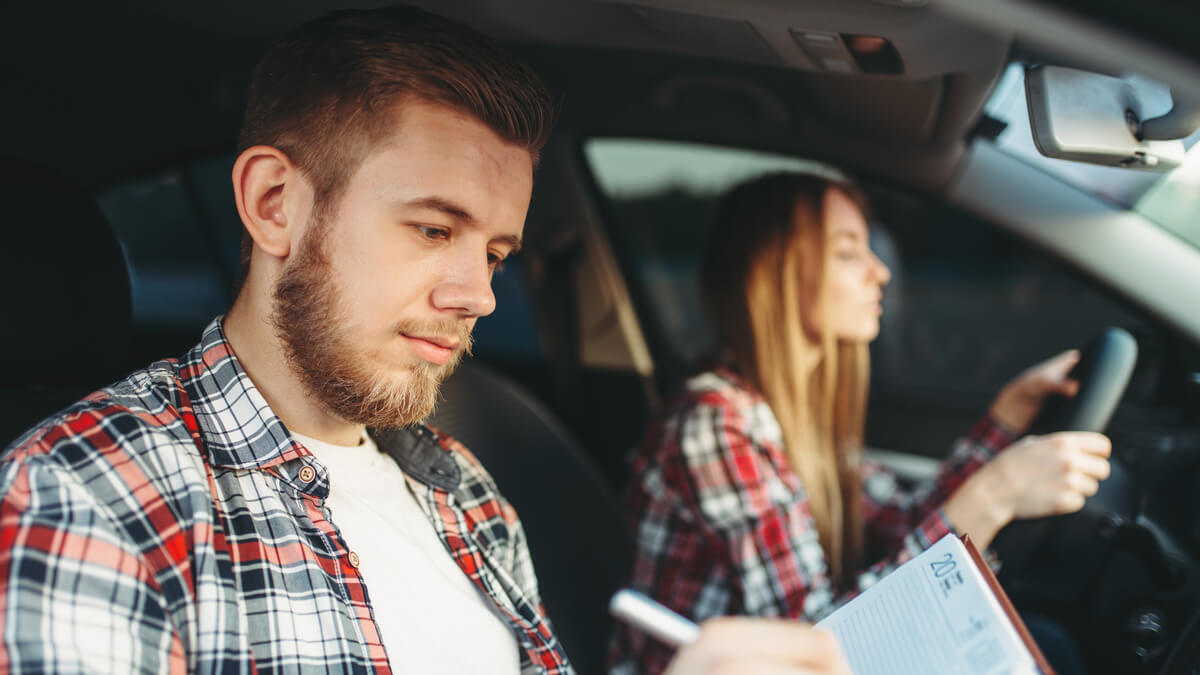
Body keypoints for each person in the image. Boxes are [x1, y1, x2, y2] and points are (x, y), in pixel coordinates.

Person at [0, 7, 852, 675]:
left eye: (494, 253)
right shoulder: (89, 497)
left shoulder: (464, 491)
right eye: (435, 230)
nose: (478, 294)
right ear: (273, 204)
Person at [609, 172, 1112, 674]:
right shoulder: (713, 425)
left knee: (1049, 644)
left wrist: (1004, 419)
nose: (880, 272)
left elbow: (897, 521)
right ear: (775, 273)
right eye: (848, 253)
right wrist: (993, 495)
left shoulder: (796, 412)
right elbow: (820, 641)